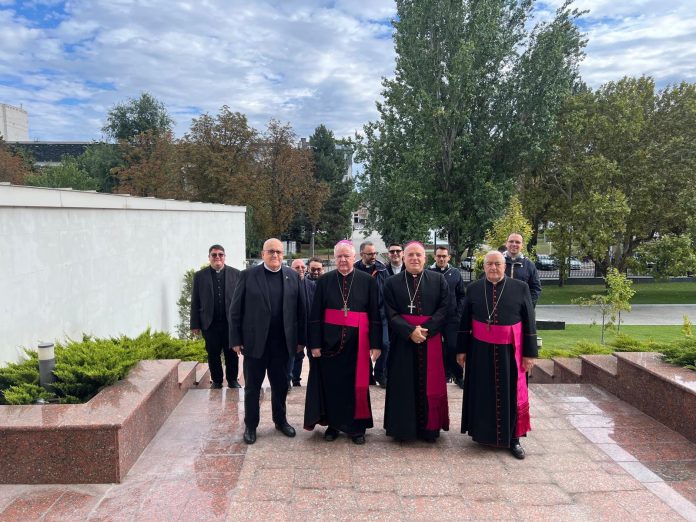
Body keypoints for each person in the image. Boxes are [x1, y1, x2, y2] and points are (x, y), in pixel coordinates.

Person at [457, 250, 538, 459]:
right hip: (479, 351)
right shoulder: (474, 288)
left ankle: (514, 439)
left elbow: (529, 321)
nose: (493, 267)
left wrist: (529, 353)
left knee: (510, 394)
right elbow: (464, 321)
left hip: (509, 351)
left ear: (505, 266)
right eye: (489, 264)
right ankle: (482, 433)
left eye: (497, 264)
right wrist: (461, 349)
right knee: (482, 392)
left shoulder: (520, 288)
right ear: (484, 267)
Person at [303, 240, 382, 444]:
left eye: (347, 256)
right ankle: (333, 425)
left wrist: (376, 344)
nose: (343, 260)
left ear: (354, 257)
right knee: (332, 385)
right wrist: (315, 344)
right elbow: (315, 314)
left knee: (356, 385)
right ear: (334, 258)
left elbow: (375, 314)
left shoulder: (368, 281)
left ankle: (357, 428)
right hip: (329, 344)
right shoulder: (324, 280)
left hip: (358, 344)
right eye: (339, 256)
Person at [229, 238, 307, 445]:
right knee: (252, 387)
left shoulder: (292, 276)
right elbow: (235, 310)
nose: (275, 255)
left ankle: (280, 421)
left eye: (279, 252)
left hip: (283, 344)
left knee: (280, 385)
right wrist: (235, 339)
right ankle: (251, 425)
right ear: (262, 254)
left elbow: (301, 311)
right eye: (271, 251)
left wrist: (301, 340)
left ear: (283, 255)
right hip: (255, 343)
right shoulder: (248, 276)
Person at [383, 241, 450, 442]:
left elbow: (445, 308)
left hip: (431, 339)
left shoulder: (438, 280)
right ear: (403, 257)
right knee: (403, 383)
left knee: (430, 383)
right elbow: (390, 312)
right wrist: (410, 331)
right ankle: (403, 429)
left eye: (418, 255)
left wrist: (425, 331)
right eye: (410, 255)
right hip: (403, 341)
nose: (414, 258)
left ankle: (430, 429)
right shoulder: (391, 282)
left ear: (425, 258)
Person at [190, 244, 241, 389]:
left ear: (224, 257)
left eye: (220, 254)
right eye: (214, 255)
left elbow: (241, 300)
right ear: (209, 257)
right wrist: (195, 324)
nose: (217, 257)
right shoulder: (200, 276)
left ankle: (232, 380)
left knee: (232, 354)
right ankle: (217, 381)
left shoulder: (236, 274)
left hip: (230, 324)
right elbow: (195, 301)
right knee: (213, 354)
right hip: (209, 323)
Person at [428, 246, 466, 388]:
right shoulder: (428, 272)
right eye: (439, 256)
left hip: (452, 318)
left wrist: (459, 312)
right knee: (436, 348)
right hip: (434, 318)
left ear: (449, 257)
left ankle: (458, 375)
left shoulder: (455, 273)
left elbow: (461, 295)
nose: (441, 259)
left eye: (444, 256)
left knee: (452, 346)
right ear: (434, 257)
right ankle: (442, 375)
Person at [354, 240, 389, 387]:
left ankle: (380, 373)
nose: (373, 256)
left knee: (385, 344)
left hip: (381, 313)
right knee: (362, 345)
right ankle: (367, 374)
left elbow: (388, 290)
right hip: (362, 314)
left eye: (375, 253)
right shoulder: (354, 269)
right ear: (362, 254)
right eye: (370, 254)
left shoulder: (382, 270)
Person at [290, 258, 316, 387]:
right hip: (295, 328)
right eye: (297, 267)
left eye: (302, 267)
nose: (300, 269)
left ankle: (314, 381)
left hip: (311, 327)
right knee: (296, 355)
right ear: (291, 269)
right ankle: (295, 380)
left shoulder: (311, 284)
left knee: (313, 355)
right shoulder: (287, 285)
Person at [504, 233, 541, 307]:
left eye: (517, 242)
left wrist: (528, 306)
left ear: (522, 245)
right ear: (506, 243)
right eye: (511, 241)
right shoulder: (496, 262)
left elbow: (535, 288)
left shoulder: (529, 265)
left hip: (521, 309)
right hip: (500, 308)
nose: (514, 244)